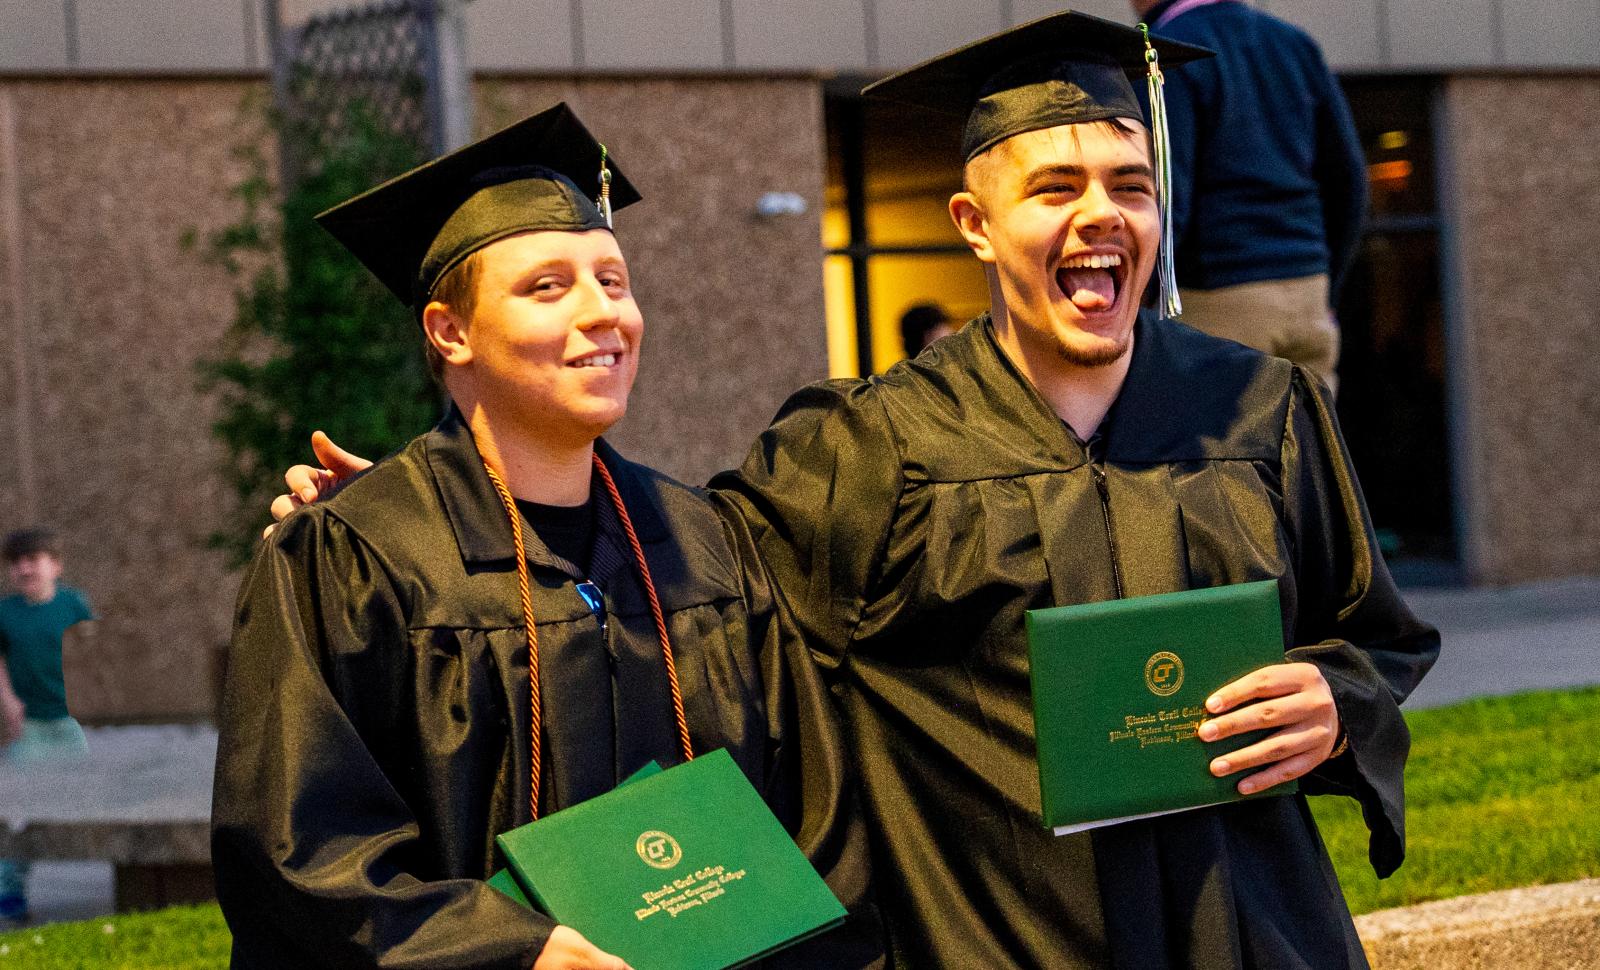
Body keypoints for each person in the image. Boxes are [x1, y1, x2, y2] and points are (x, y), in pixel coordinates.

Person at [273, 14, 1437, 967]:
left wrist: (1338, 702)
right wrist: (441, 513)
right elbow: (663, 579)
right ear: (975, 225)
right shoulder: (866, 448)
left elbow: (1372, 634)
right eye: (1055, 187)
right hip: (1003, 944)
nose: (1100, 214)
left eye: (1130, 184)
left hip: (1260, 936)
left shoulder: (1263, 410)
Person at [214, 104, 878, 970]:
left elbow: (817, 817)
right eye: (547, 287)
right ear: (451, 331)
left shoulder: (707, 543)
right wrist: (511, 953)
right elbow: (300, 855)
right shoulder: (349, 558)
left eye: (613, 279)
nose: (603, 313)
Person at [1130, 0, 1368, 392]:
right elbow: (1349, 181)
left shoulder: (1165, 53)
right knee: (1309, 447)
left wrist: (1140, 301)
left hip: (1218, 302)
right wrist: (1327, 284)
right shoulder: (1294, 44)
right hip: (1308, 297)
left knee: (1216, 450)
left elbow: (1169, 198)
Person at [0, 527, 96, 925]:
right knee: (20, 808)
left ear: (54, 565)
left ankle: (112, 876)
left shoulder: (73, 605)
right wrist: (8, 702)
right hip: (31, 726)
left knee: (88, 798)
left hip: (69, 722)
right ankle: (10, 889)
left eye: (33, 559)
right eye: (16, 562)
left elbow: (92, 654)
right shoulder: (6, 612)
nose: (25, 568)